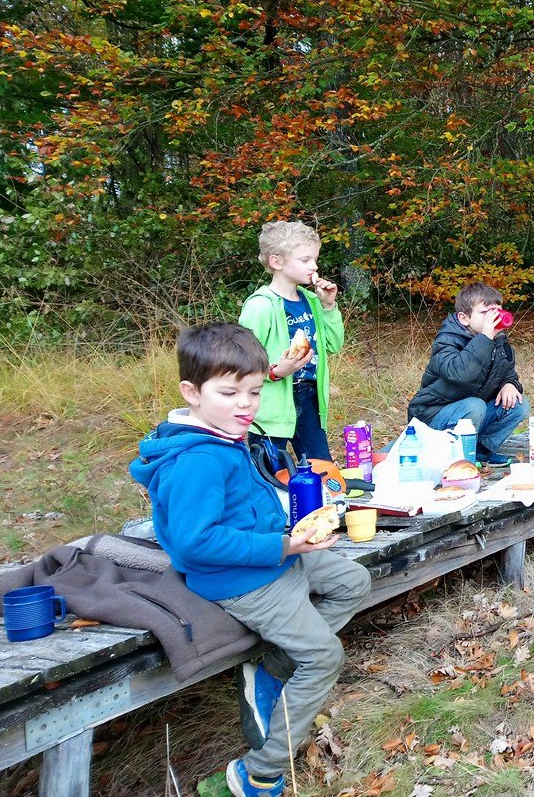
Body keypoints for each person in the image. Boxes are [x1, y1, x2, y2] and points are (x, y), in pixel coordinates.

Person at [130, 323, 371, 797]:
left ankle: (271, 670)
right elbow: (196, 542)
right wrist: (282, 546)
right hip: (242, 579)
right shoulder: (198, 459)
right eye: (229, 392)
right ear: (191, 392)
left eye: (255, 391)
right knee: (324, 657)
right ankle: (258, 771)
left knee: (353, 580)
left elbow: (247, 505)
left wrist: (292, 528)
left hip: (272, 555)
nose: (245, 404)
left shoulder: (225, 435)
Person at [240, 220, 345, 463]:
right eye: (305, 260)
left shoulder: (311, 299)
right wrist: (277, 371)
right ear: (277, 261)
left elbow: (333, 344)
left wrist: (329, 306)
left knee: (321, 469)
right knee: (272, 475)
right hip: (271, 408)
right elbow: (240, 363)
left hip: (310, 399)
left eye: (315, 259)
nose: (314, 266)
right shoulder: (260, 306)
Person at [407, 282, 531, 464]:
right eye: (486, 313)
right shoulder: (447, 341)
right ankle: (455, 455)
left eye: (498, 310)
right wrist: (485, 338)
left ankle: (481, 449)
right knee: (475, 405)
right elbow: (460, 373)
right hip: (432, 419)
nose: (494, 317)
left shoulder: (499, 342)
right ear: (464, 318)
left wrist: (509, 384)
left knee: (518, 403)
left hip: (470, 415)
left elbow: (506, 371)